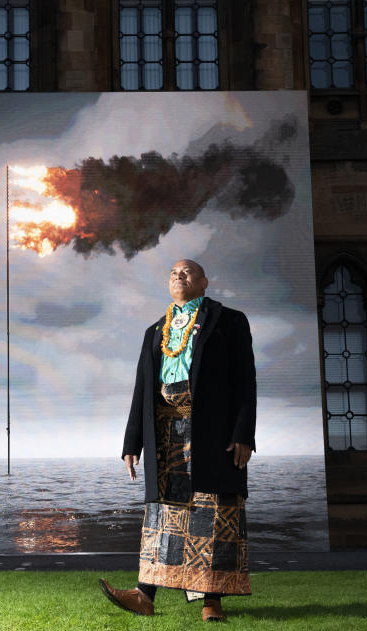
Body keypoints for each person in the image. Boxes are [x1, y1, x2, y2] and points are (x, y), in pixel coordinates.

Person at [99, 259, 256, 622]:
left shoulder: (229, 321)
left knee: (211, 513)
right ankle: (144, 595)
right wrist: (131, 443)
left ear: (204, 281)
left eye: (186, 271)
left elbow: (245, 382)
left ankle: (211, 602)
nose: (178, 276)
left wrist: (243, 434)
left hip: (213, 434)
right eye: (172, 272)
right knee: (163, 515)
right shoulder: (155, 331)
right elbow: (142, 391)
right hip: (164, 434)